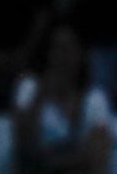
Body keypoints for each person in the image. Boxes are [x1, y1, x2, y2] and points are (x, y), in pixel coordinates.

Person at [13, 25, 115, 174]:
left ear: (80, 54)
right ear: (48, 53)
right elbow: (23, 142)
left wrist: (52, 162)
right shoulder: (29, 87)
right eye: (57, 48)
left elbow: (98, 157)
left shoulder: (95, 98)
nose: (63, 56)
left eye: (69, 49)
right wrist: (41, 94)